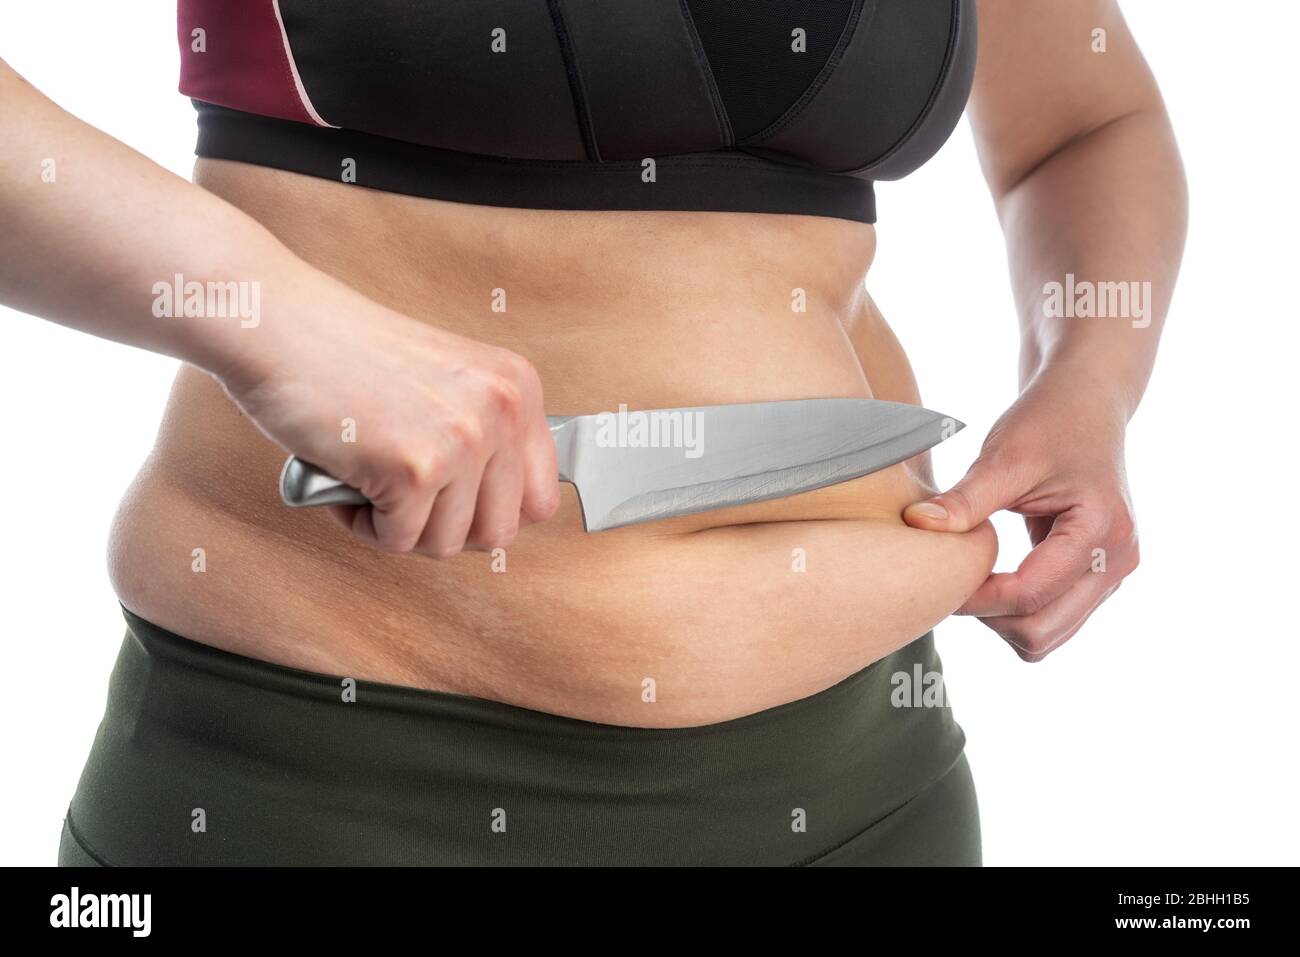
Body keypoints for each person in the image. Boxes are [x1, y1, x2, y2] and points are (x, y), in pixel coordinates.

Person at [0, 0, 1184, 866]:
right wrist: (276, 322)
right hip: (338, 782)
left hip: (870, 784)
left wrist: (1089, 383)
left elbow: (1083, 124)